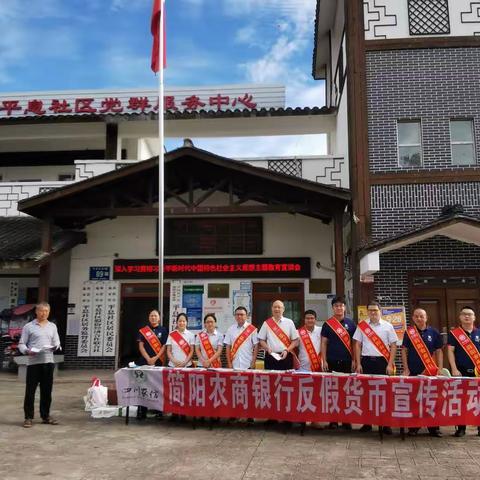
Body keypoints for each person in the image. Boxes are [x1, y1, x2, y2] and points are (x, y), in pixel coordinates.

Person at [353, 300, 397, 434]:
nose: (373, 312)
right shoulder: (362, 326)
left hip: (383, 363)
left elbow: (393, 346)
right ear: (367, 312)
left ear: (380, 311)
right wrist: (358, 363)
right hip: (366, 362)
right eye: (370, 310)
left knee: (385, 393)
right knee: (366, 393)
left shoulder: (388, 326)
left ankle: (386, 424)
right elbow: (357, 345)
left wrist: (390, 364)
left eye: (375, 310)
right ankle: (367, 423)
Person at [18, 301, 61, 428]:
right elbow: (22, 343)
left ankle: (45, 416)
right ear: (36, 312)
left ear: (49, 312)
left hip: (48, 362)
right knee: (30, 391)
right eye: (41, 311)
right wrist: (26, 351)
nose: (44, 313)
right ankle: (28, 417)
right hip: (33, 363)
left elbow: (57, 342)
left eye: (46, 311)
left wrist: (55, 347)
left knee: (47, 391)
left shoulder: (52, 326)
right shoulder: (28, 326)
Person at [401, 308, 443, 437]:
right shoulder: (409, 333)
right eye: (417, 316)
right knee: (415, 399)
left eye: (422, 316)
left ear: (426, 317)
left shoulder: (434, 332)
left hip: (430, 371)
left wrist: (439, 368)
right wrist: (406, 368)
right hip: (413, 370)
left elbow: (439, 351)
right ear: (413, 318)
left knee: (432, 399)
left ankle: (433, 427)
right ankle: (414, 426)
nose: (419, 318)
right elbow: (404, 351)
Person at [320, 295, 356, 429]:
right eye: (336, 306)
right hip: (332, 360)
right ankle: (333, 420)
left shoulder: (351, 324)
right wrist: (324, 360)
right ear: (333, 308)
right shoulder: (328, 324)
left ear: (345, 307)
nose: (339, 308)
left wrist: (354, 360)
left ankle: (346, 421)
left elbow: (355, 344)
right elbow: (324, 343)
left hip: (347, 361)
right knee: (333, 390)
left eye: (341, 305)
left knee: (347, 391)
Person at [447, 306, 480, 437]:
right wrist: (454, 368)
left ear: (474, 317)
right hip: (461, 371)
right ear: (460, 317)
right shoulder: (454, 333)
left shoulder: (479, 333)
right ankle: (461, 428)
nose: (467, 316)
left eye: (470, 314)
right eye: (464, 314)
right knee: (461, 400)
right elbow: (450, 351)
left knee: (478, 400)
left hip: (478, 372)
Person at [136, 309, 168, 420]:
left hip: (158, 362)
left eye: (155, 315)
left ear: (159, 317)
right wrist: (148, 358)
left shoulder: (163, 330)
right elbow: (141, 346)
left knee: (158, 386)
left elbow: (164, 346)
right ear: (149, 318)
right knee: (143, 386)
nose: (153, 317)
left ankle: (159, 411)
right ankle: (142, 410)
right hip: (145, 362)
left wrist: (155, 358)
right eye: (151, 316)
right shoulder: (144, 331)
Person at [166, 313, 195, 422]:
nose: (181, 323)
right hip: (173, 366)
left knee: (185, 390)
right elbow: (168, 351)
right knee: (173, 389)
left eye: (183, 321)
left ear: (186, 322)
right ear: (177, 322)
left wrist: (184, 362)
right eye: (180, 321)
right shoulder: (172, 335)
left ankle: (183, 412)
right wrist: (174, 361)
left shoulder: (191, 335)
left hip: (186, 366)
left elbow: (192, 351)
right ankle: (174, 412)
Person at [258, 300, 299, 371]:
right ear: (272, 309)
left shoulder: (289, 322)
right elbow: (261, 340)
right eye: (275, 307)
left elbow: (295, 340)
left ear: (283, 309)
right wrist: (267, 348)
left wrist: (287, 350)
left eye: (279, 307)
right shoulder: (266, 323)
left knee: (287, 380)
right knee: (270, 379)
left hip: (286, 355)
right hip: (270, 355)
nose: (277, 309)